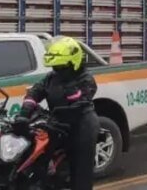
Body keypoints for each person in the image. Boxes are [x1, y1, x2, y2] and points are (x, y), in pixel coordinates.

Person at [17, 36, 99, 190]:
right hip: (56, 122)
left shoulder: (86, 79)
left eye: (60, 66)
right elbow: (35, 92)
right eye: (55, 66)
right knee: (37, 156)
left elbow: (79, 99)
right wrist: (24, 114)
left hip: (81, 125)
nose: (57, 70)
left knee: (81, 171)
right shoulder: (51, 78)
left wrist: (68, 88)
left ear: (73, 62)